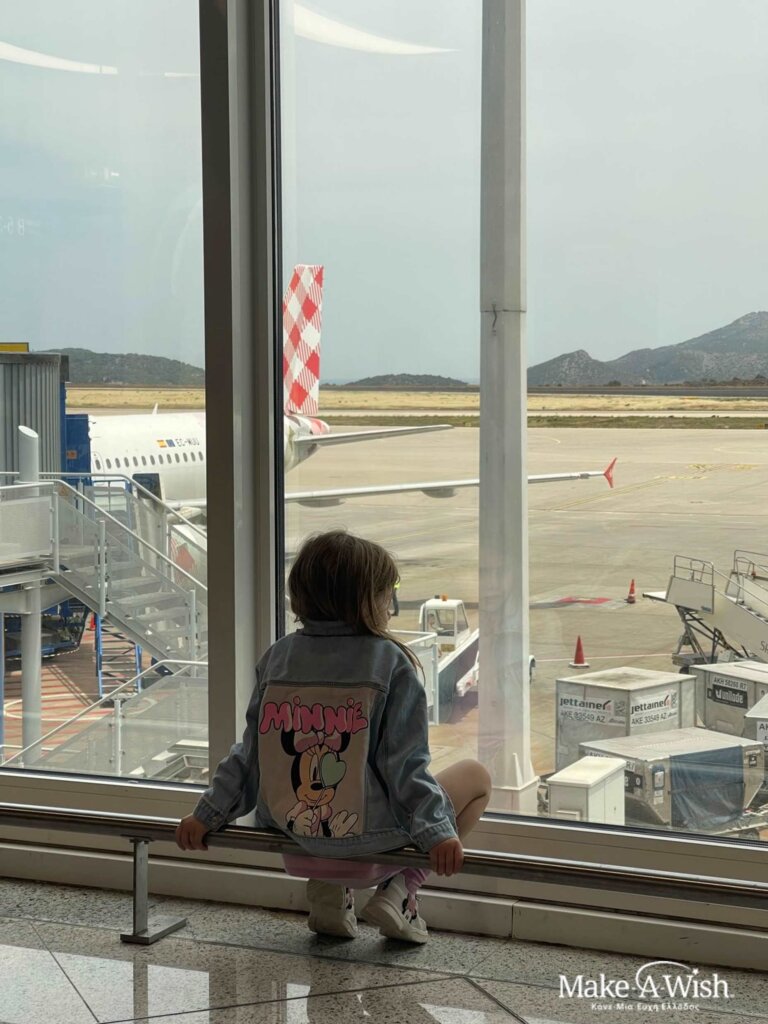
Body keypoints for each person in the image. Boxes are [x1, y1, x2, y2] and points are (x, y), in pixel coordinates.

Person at [175, 529, 491, 944]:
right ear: (368, 600)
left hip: (296, 843)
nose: (390, 604)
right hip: (370, 851)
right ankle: (402, 888)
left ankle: (329, 893)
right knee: (476, 777)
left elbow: (251, 755)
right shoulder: (390, 663)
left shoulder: (277, 658)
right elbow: (404, 768)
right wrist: (437, 834)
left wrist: (208, 814)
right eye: (388, 593)